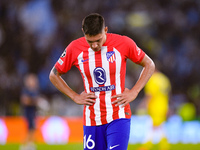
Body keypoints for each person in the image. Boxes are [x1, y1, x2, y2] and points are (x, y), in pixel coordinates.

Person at [49, 13, 155, 150]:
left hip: (118, 115)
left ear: (105, 30)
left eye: (98, 40)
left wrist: (134, 92)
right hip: (91, 119)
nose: (94, 45)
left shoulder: (123, 43)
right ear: (83, 33)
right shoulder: (75, 48)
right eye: (90, 41)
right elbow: (54, 75)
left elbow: (149, 64)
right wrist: (74, 96)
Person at [137, 66, 171, 150]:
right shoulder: (164, 79)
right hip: (163, 106)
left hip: (154, 106)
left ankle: (147, 145)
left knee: (154, 126)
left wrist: (144, 105)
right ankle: (163, 145)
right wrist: (168, 106)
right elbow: (168, 94)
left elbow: (150, 95)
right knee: (158, 125)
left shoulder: (152, 80)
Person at [20, 74, 40, 150]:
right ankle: (24, 145)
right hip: (28, 112)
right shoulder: (26, 90)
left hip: (34, 112)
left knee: (33, 128)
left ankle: (30, 144)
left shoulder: (35, 90)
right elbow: (25, 101)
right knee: (29, 128)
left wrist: (31, 100)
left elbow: (34, 101)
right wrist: (33, 101)